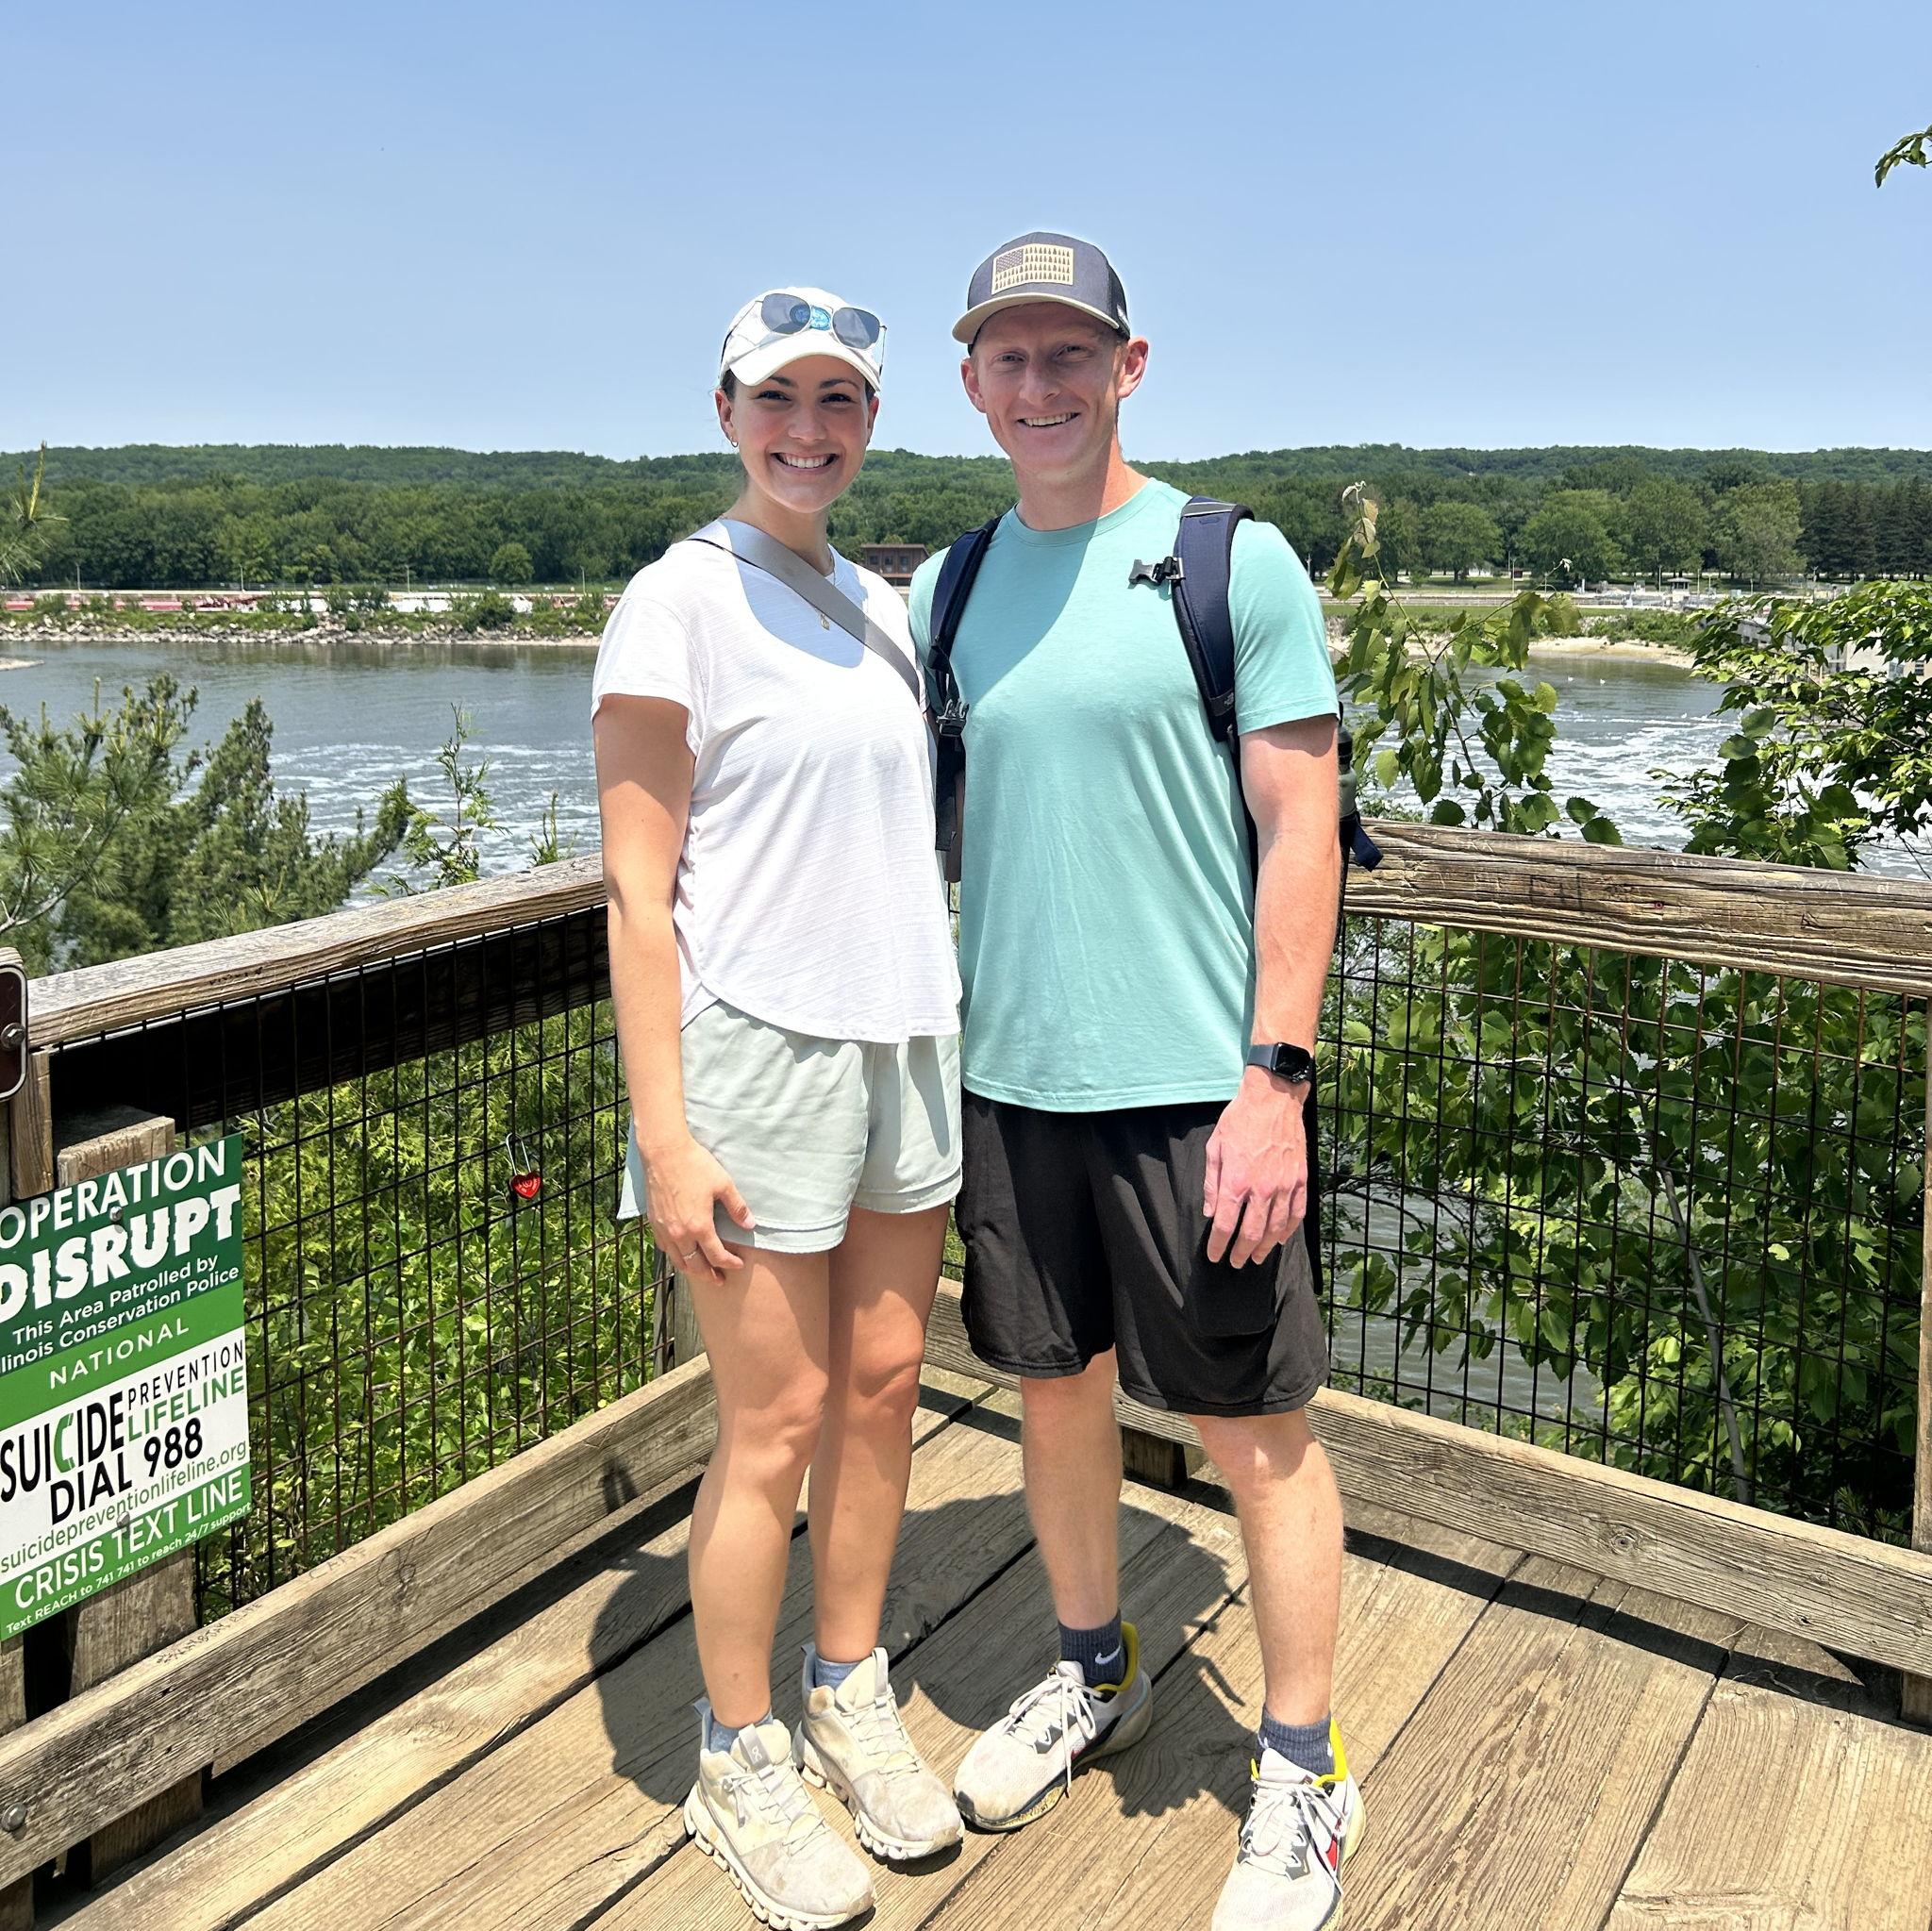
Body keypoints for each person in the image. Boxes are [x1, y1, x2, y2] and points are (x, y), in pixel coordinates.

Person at [908, 233, 1361, 1930]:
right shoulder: (945, 590)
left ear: (1131, 365)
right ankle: (1100, 1666)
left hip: (1196, 1088)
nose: (1040, 385)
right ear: (971, 385)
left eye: (1069, 354)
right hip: (1014, 1080)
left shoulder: (1223, 565)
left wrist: (1275, 1082)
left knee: (1256, 1436)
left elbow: (1300, 827)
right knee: (1052, 1395)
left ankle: (1306, 1777)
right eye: (1009, 358)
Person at [593, 285, 964, 1930]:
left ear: (870, 423)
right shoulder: (676, 603)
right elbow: (634, 891)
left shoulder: (874, 606)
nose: (810, 430)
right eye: (778, 399)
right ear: (727, 409)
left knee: (885, 1385)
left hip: (902, 1042)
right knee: (777, 1425)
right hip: (755, 1056)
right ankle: (736, 1755)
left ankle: (846, 1681)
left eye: (841, 402)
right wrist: (667, 1133)